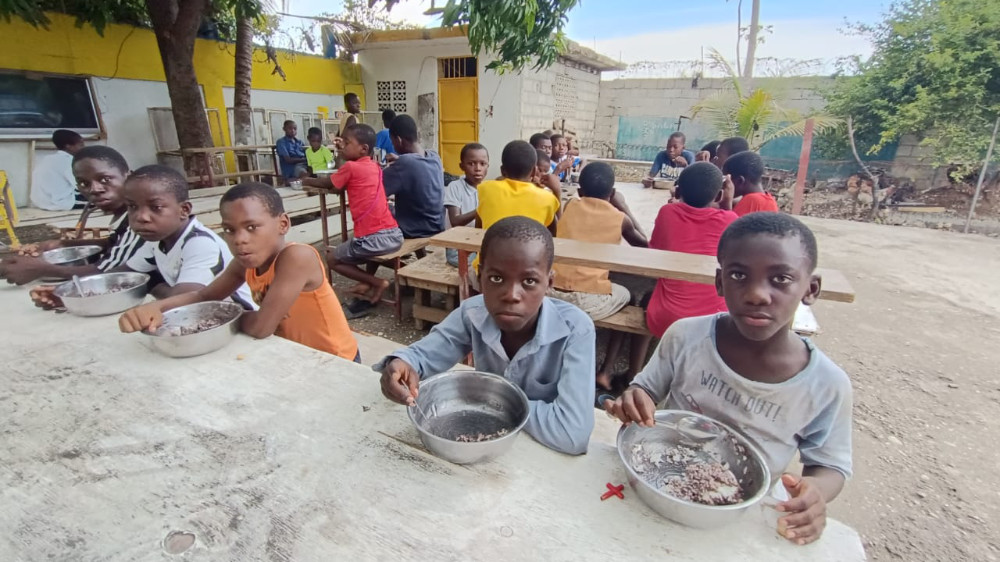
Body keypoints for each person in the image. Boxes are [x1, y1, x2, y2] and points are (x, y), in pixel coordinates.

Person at [605, 212, 852, 546]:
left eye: (780, 279)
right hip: (664, 478)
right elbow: (645, 389)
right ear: (720, 282)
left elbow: (829, 466)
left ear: (811, 289)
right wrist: (636, 398)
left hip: (742, 511)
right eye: (739, 275)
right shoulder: (686, 336)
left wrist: (816, 493)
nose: (756, 294)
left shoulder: (826, 385)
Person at [377, 216, 596, 455]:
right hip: (484, 441)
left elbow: (572, 434)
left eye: (530, 281)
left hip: (543, 454)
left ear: (549, 283)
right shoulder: (473, 313)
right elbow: (423, 356)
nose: (511, 295)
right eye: (497, 279)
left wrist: (492, 403)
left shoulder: (575, 330)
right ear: (480, 277)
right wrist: (402, 364)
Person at [118, 183, 360, 361]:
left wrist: (221, 316)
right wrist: (156, 309)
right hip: (297, 353)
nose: (239, 240)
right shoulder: (244, 263)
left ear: (283, 224)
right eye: (229, 230)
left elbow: (261, 327)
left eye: (252, 227)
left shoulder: (297, 257)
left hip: (335, 358)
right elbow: (204, 296)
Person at [2, 146, 146, 287]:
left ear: (129, 176)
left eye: (105, 179)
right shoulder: (124, 216)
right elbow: (117, 243)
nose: (94, 189)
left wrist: (42, 269)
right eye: (84, 183)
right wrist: (60, 244)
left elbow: (108, 270)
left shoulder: (141, 218)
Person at [121, 165, 255, 306]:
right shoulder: (156, 240)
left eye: (156, 207)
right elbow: (128, 274)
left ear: (184, 210)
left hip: (240, 317)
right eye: (132, 207)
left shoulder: (200, 243)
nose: (142, 217)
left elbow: (181, 300)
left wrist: (153, 284)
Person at [303, 124, 402, 304]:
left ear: (363, 149)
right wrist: (343, 151)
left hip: (372, 239)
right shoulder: (375, 166)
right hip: (394, 235)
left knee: (331, 258)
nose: (343, 147)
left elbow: (329, 183)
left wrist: (306, 180)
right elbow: (339, 182)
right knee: (365, 248)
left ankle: (377, 282)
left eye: (347, 143)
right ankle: (365, 283)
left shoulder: (350, 168)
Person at [547, 162, 647, 323]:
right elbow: (645, 245)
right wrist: (624, 206)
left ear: (579, 191)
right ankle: (612, 349)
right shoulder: (620, 218)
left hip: (551, 291)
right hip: (586, 300)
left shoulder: (570, 205)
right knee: (628, 295)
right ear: (613, 193)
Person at [382, 114, 445, 239]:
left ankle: (377, 254)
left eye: (393, 141)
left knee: (379, 208)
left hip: (415, 229)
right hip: (437, 224)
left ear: (399, 140)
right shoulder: (434, 156)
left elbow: (378, 189)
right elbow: (415, 166)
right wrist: (400, 160)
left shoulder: (405, 163)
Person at [443, 143, 488, 267]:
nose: (478, 168)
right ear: (461, 166)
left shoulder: (488, 189)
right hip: (457, 247)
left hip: (478, 243)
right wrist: (481, 209)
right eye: (471, 163)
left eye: (482, 164)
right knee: (482, 264)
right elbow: (455, 221)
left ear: (488, 166)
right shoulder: (455, 187)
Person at [30, 129, 87, 211]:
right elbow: (80, 185)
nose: (84, 147)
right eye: (81, 144)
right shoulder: (68, 161)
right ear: (68, 146)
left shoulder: (47, 159)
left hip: (40, 202)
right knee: (103, 199)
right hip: (60, 203)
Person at [724, 151, 779, 216]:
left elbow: (728, 224)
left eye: (726, 181)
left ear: (740, 181)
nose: (724, 186)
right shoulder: (769, 199)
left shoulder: (750, 201)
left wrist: (726, 203)